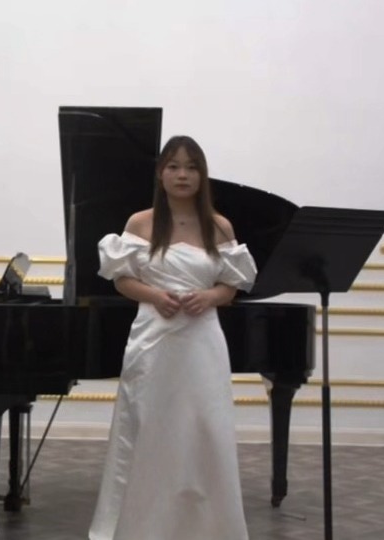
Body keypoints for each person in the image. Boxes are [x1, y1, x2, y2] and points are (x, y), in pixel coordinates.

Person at [88, 136, 257, 540]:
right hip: (154, 338)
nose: (183, 175)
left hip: (201, 339)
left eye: (192, 167)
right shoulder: (140, 222)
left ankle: (207, 528)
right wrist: (154, 296)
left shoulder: (219, 225)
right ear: (160, 173)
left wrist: (210, 297)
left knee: (205, 428)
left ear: (202, 175)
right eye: (174, 166)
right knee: (149, 426)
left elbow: (231, 286)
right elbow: (121, 280)